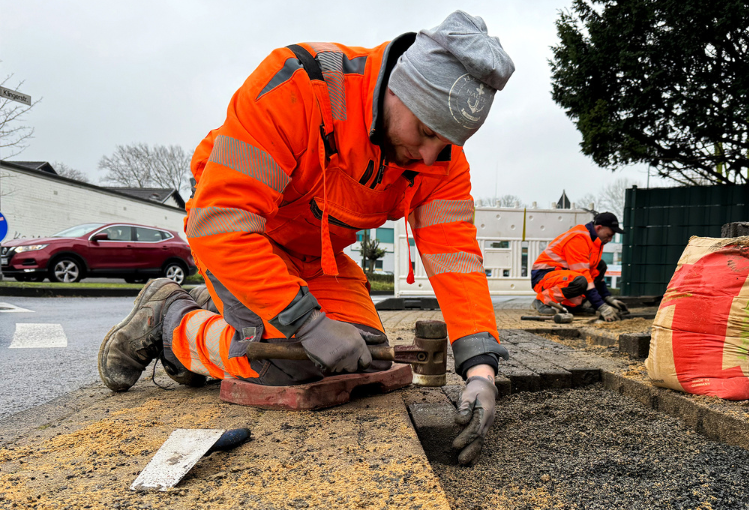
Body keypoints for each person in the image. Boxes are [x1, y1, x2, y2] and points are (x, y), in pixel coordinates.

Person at [97, 10, 514, 466]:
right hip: (241, 239)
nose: (430, 155)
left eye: (448, 144)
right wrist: (308, 323)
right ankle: (170, 322)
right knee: (284, 364)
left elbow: (455, 260)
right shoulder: (296, 86)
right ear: (399, 87)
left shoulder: (440, 161)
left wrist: (481, 370)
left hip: (316, 256)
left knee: (366, 359)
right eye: (427, 132)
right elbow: (221, 220)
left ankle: (217, 308)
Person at [530, 212, 629, 321]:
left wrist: (608, 298)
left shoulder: (596, 242)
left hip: (564, 275)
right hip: (544, 277)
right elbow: (584, 275)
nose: (610, 239)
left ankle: (573, 306)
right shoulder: (578, 238)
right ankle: (542, 300)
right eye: (609, 235)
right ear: (599, 228)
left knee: (600, 266)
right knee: (580, 280)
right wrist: (601, 306)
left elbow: (595, 275)